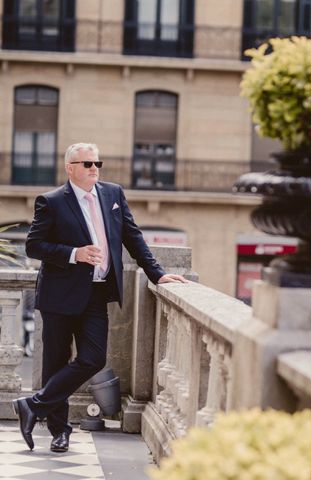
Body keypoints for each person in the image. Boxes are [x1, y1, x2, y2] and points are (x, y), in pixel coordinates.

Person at [13, 143, 188, 453]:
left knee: (93, 358)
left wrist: (157, 274)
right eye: (87, 163)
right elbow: (34, 246)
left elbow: (133, 237)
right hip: (59, 295)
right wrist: (73, 254)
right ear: (70, 168)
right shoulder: (51, 202)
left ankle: (33, 405)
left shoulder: (113, 195)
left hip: (97, 293)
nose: (95, 168)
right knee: (55, 363)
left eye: (98, 163)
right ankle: (59, 431)